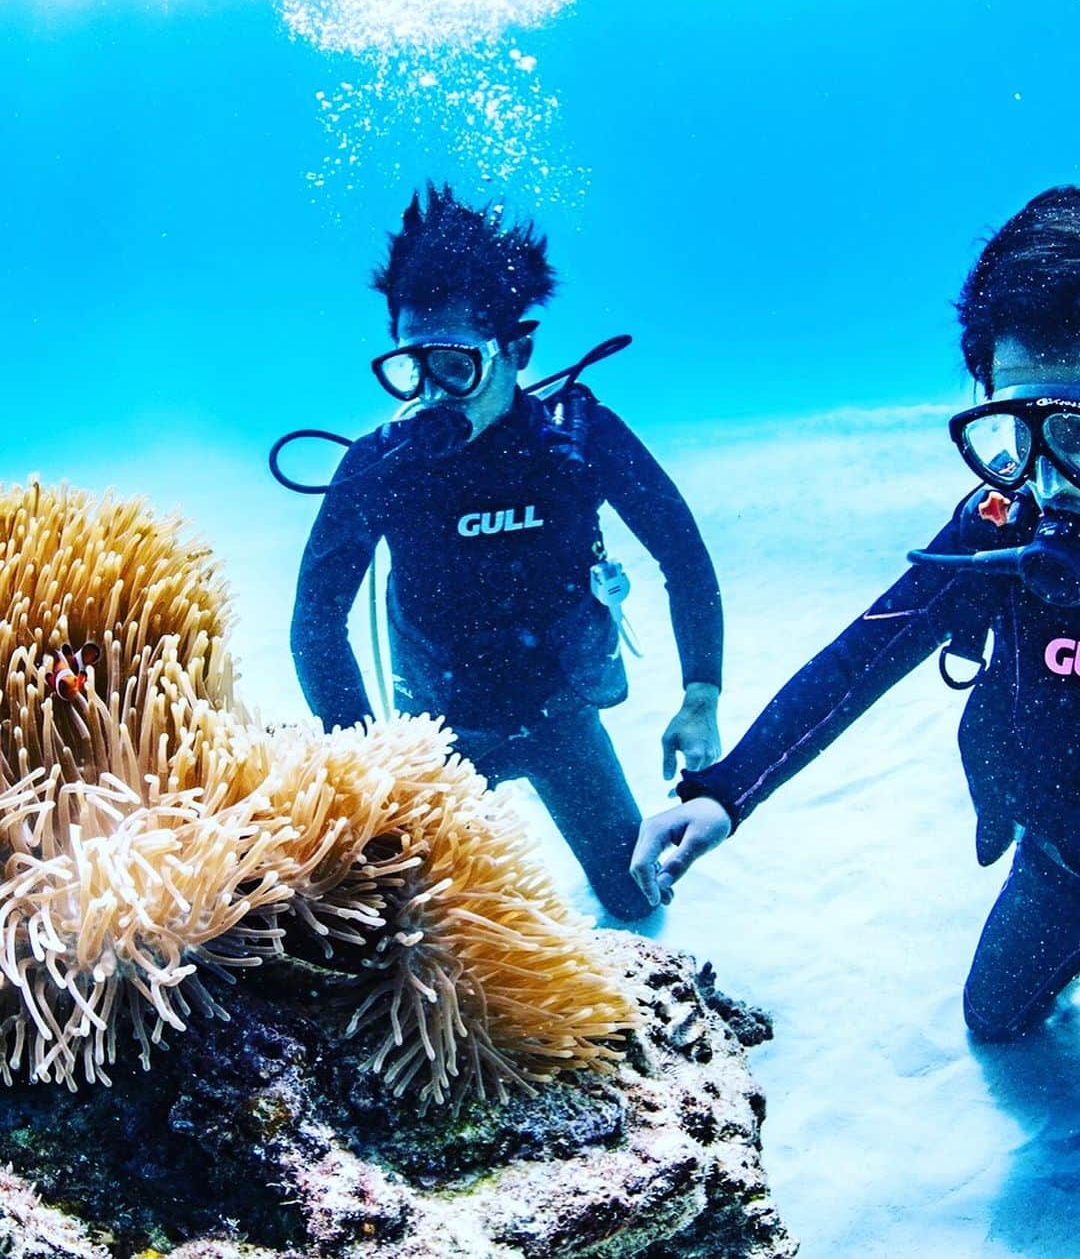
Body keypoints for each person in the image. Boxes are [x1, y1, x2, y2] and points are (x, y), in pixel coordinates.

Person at [632, 185, 1080, 1036]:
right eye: (1018, 436)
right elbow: (859, 659)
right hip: (1061, 864)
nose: (1050, 482)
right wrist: (727, 794)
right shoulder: (997, 528)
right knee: (992, 1023)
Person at [291, 183, 722, 920]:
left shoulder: (579, 442)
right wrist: (362, 767)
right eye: (411, 365)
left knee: (636, 899)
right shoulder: (382, 465)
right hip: (438, 737)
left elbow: (683, 557)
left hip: (562, 720)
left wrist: (701, 696)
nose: (431, 393)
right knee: (407, 937)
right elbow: (316, 623)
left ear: (515, 350)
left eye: (454, 366)